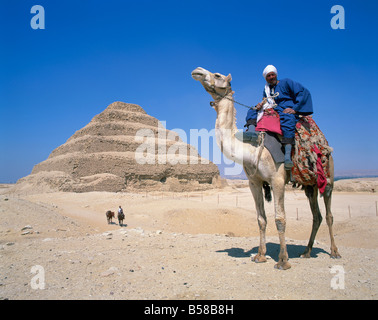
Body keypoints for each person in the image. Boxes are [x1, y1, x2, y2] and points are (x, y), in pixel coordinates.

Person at [244, 65, 313, 169]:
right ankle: (251, 132)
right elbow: (266, 100)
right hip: (273, 109)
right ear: (266, 78)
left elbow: (302, 92)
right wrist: (260, 105)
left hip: (286, 109)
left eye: (272, 75)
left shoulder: (286, 82)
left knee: (288, 119)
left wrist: (295, 109)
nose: (271, 77)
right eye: (268, 76)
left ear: (276, 75)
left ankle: (287, 156)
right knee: (252, 110)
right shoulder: (267, 89)